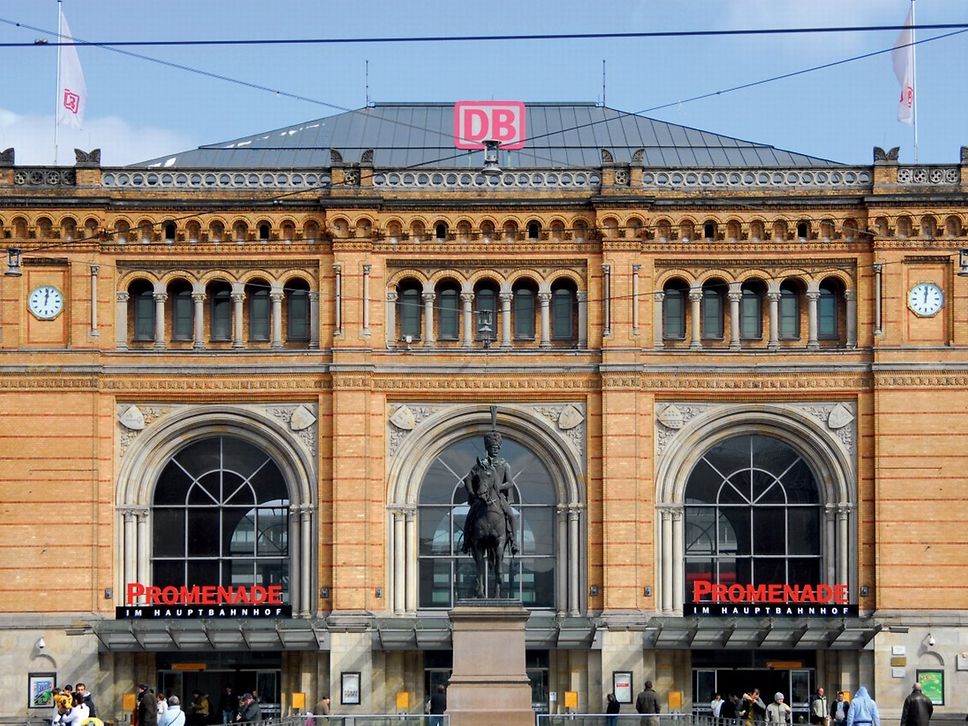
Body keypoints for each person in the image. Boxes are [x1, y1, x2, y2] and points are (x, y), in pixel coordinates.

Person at [461, 430, 519, 555]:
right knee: (470, 516)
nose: (495, 450)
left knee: (511, 516)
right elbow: (467, 479)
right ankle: (466, 542)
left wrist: (499, 486)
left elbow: (510, 483)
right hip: (482, 498)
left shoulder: (504, 465)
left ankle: (514, 542)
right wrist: (472, 493)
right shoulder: (480, 465)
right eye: (493, 448)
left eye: (497, 448)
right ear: (488, 449)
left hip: (499, 496)